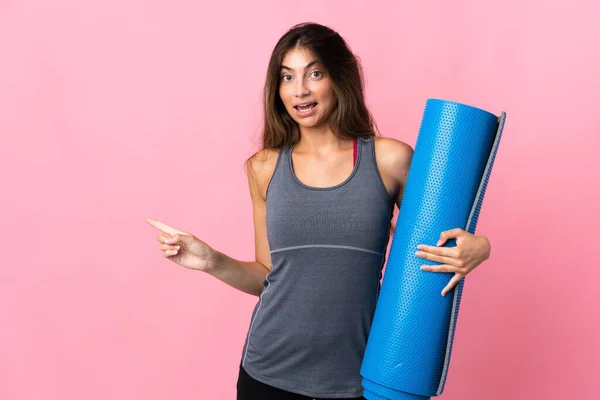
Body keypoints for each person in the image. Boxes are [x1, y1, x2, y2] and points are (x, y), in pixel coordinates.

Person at [146, 22, 491, 400]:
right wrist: (212, 261)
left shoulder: (389, 158)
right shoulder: (264, 167)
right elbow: (267, 275)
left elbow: (435, 242)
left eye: (314, 73)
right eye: (287, 77)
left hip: (359, 379)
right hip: (267, 375)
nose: (300, 90)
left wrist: (481, 247)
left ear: (337, 78)